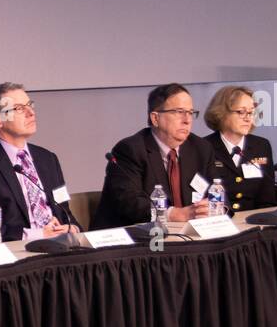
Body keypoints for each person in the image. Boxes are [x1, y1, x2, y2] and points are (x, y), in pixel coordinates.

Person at [0, 82, 77, 244]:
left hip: (62, 247)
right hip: (19, 255)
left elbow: (65, 211)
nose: (30, 113)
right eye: (18, 108)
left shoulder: (48, 159)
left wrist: (72, 228)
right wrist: (38, 235)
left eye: (29, 105)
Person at [91, 83, 214, 229]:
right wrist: (175, 214)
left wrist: (213, 208)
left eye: (190, 113)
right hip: (134, 238)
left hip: (187, 235)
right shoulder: (130, 150)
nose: (187, 120)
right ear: (155, 118)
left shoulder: (201, 148)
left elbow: (220, 191)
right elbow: (130, 203)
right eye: (179, 112)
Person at [201, 85, 277, 213]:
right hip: (219, 222)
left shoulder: (261, 146)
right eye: (241, 112)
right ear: (222, 113)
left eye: (251, 112)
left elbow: (267, 199)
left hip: (255, 222)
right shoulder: (203, 147)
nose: (248, 118)